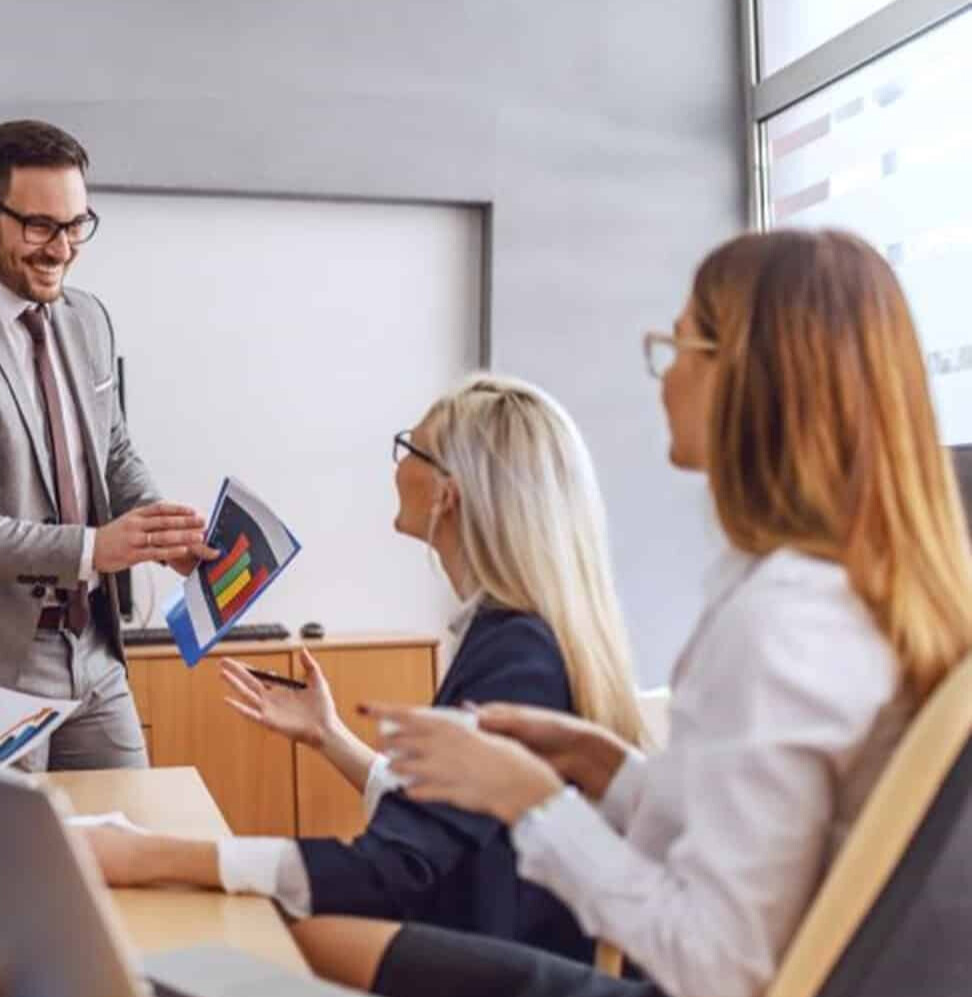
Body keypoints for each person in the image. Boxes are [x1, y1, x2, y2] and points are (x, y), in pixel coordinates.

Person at [308, 229, 972, 997]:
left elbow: (711, 963)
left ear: (749, 380)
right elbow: (768, 848)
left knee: (308, 941)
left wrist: (529, 799)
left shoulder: (780, 628)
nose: (664, 376)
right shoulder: (856, 602)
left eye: (679, 345)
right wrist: (610, 770)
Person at [84, 375, 644, 965]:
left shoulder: (518, 658)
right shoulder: (510, 635)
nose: (397, 464)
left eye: (411, 448)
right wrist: (330, 738)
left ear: (446, 494)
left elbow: (393, 869)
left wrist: (152, 856)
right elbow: (439, 829)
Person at [0, 119, 214, 770]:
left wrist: (161, 531)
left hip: (93, 651)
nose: (61, 249)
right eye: (39, 227)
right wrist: (91, 549)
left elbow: (110, 450)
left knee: (130, 845)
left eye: (76, 225)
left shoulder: (88, 318)